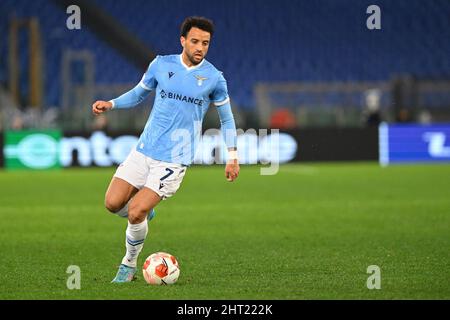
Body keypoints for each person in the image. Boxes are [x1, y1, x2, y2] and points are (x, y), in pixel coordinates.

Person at [91, 16, 240, 283]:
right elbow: (138, 94)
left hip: (174, 158)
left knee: (136, 211)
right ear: (183, 40)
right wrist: (111, 104)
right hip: (144, 148)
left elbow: (227, 119)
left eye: (205, 43)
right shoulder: (161, 64)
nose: (200, 48)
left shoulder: (215, 78)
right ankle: (148, 211)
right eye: (195, 41)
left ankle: (128, 265)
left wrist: (232, 156)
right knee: (112, 203)